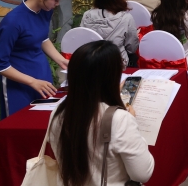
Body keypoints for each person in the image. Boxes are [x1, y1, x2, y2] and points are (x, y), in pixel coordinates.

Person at [49, 41, 155, 186]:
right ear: (112, 76)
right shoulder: (120, 119)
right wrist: (132, 122)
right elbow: (142, 173)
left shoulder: (59, 111)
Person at [0, 0, 70, 117]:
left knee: (45, 121)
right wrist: (32, 82)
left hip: (41, 75)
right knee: (20, 125)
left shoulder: (45, 10)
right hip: (18, 81)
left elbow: (41, 38)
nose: (57, 4)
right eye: (56, 0)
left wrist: (61, 60)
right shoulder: (13, 22)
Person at [80, 0, 139, 67]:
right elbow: (132, 48)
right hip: (116, 64)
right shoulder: (126, 18)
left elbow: (82, 41)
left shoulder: (87, 15)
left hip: (90, 62)